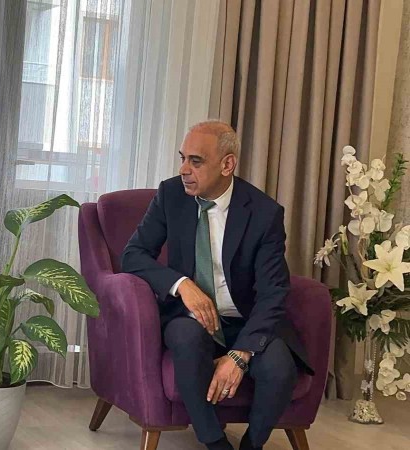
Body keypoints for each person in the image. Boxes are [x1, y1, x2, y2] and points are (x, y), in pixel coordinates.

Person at [121, 121, 313, 450]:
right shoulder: (171, 195)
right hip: (190, 318)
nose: (184, 169)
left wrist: (240, 354)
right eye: (182, 158)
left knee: (280, 368)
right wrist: (182, 284)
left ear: (227, 165)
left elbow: (273, 291)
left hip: (246, 319)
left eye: (195, 161)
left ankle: (252, 445)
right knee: (185, 337)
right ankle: (215, 443)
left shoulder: (264, 213)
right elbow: (133, 255)